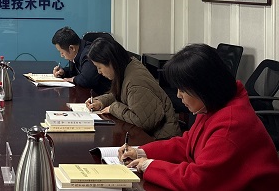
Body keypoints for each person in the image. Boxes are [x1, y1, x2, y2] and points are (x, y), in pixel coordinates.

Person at [120, 44, 279, 189]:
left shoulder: (230, 125)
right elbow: (188, 144)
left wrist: (149, 165)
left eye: (183, 89)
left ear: (203, 88)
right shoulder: (213, 106)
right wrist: (141, 152)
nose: (178, 95)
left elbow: (196, 181)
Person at [85, 37, 180, 140]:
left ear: (111, 62)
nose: (99, 72)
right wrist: (101, 101)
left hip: (161, 138)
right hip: (149, 135)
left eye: (99, 67)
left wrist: (114, 108)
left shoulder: (135, 81)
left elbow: (142, 122)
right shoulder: (128, 67)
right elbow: (124, 94)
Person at [51, 27, 110, 94]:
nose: (61, 55)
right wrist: (63, 72)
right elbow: (76, 72)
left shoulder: (89, 53)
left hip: (102, 94)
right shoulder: (76, 52)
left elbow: (87, 80)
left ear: (71, 48)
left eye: (61, 52)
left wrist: (74, 79)